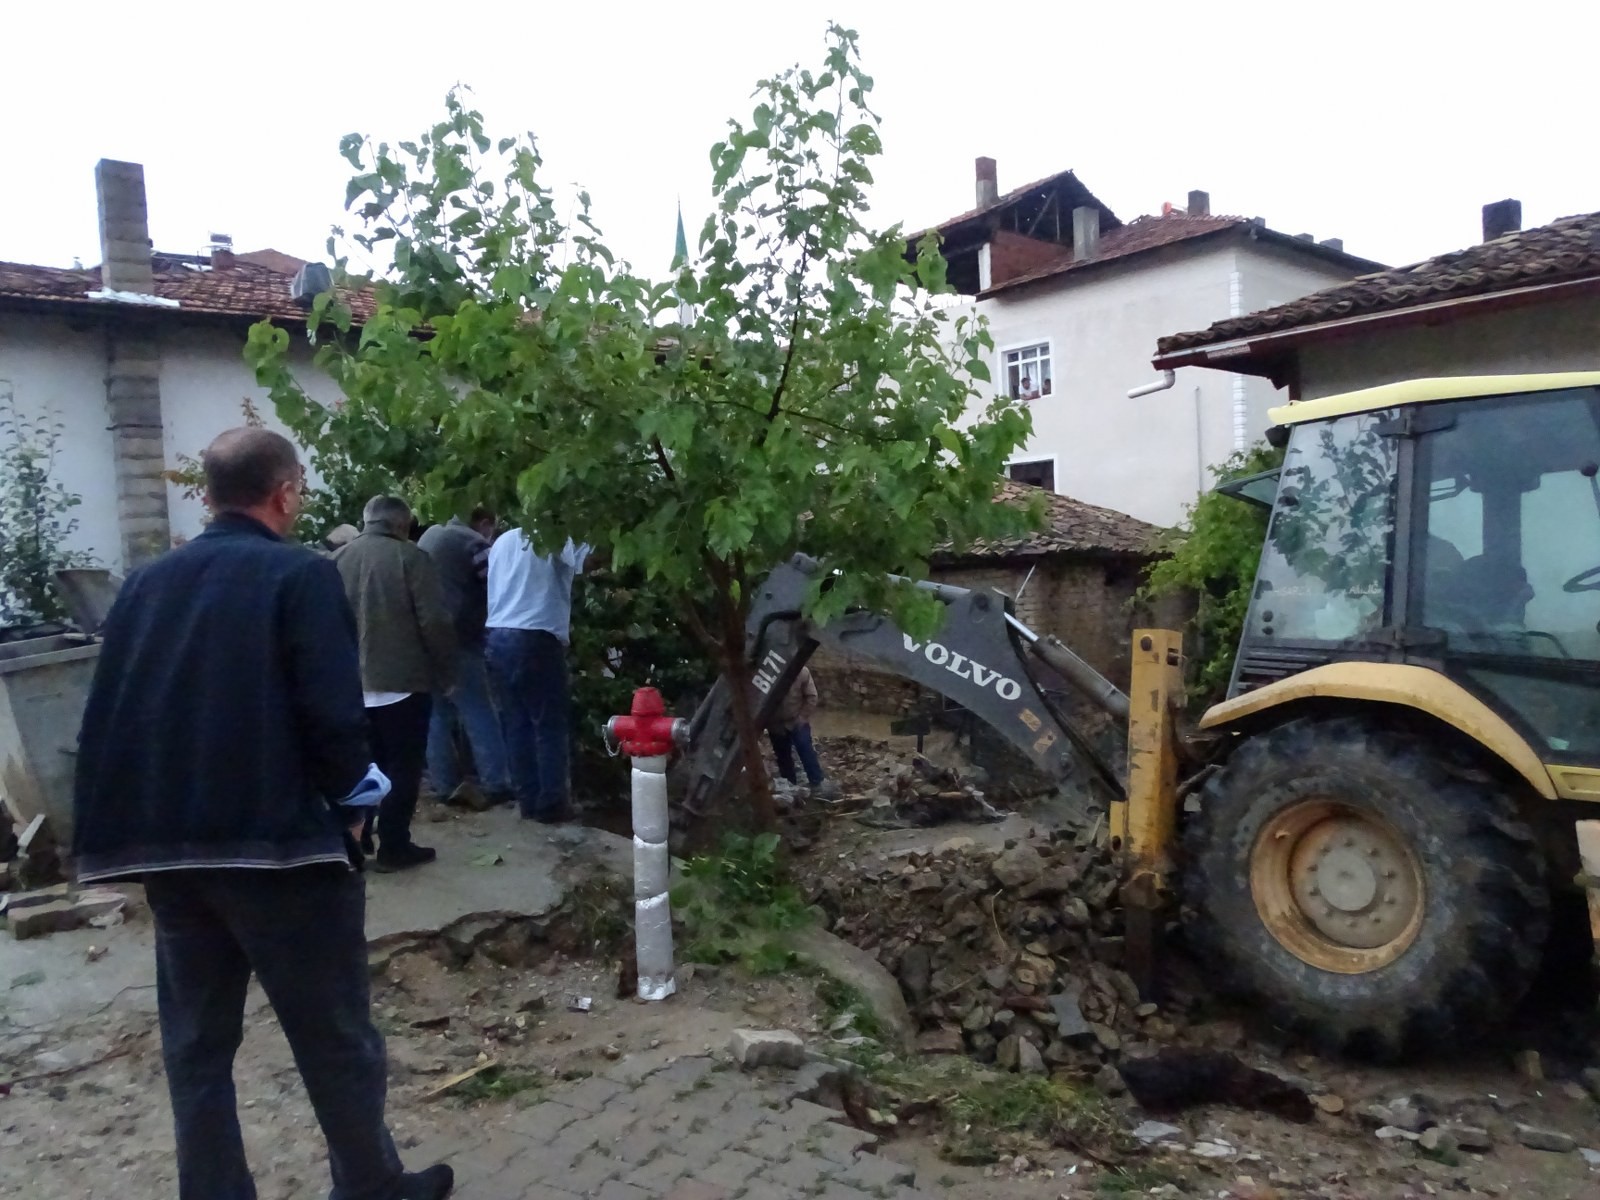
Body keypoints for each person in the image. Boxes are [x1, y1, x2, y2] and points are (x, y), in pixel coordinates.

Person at [72, 427, 452, 1200]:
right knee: (334, 1038)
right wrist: (354, 808)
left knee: (197, 1047)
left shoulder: (144, 585)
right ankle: (372, 1187)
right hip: (281, 854)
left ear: (206, 495)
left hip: (175, 859)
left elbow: (111, 712)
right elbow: (332, 713)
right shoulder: (300, 576)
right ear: (285, 493)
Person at [335, 496, 457, 870]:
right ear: (403, 524)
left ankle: (354, 845)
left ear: (366, 519)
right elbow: (434, 621)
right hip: (402, 682)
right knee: (402, 768)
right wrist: (446, 673)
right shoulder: (411, 558)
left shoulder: (337, 559)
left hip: (350, 684)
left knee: (360, 767)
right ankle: (394, 845)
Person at [485, 529, 591, 823]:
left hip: (497, 635)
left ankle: (528, 800)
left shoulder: (503, 540)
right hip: (536, 636)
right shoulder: (556, 536)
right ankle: (552, 803)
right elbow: (589, 562)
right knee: (548, 724)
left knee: (516, 723)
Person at [418, 508, 512, 808]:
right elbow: (496, 589)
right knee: (480, 711)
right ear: (485, 522)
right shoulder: (474, 543)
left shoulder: (430, 535)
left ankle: (444, 784)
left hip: (426, 639)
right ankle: (496, 783)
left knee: (437, 714)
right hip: (460, 639)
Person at [766, 665, 837, 796]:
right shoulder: (767, 672)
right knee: (783, 755)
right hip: (775, 723)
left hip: (796, 720)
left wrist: (802, 717)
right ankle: (789, 787)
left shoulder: (802, 672)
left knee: (805, 749)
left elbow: (812, 697)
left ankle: (817, 783)